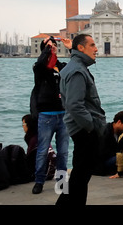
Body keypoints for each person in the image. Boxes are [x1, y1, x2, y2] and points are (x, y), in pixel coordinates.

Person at [55, 34, 106, 206]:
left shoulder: (75, 67)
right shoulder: (77, 70)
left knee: (80, 176)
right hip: (84, 130)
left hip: (80, 128)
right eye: (92, 45)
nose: (96, 49)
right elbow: (74, 105)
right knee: (79, 177)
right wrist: (91, 126)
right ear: (81, 48)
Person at [30, 36, 71, 194]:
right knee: (42, 150)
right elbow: (40, 63)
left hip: (63, 114)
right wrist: (47, 49)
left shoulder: (61, 66)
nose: (53, 46)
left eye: (54, 44)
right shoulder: (39, 68)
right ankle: (39, 181)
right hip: (46, 115)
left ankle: (61, 182)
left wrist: (70, 48)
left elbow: (76, 67)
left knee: (63, 151)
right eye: (49, 45)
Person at [22, 114, 56, 182]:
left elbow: (29, 157)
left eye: (23, 123)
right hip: (51, 171)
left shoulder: (33, 139)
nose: (23, 126)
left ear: (29, 125)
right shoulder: (41, 136)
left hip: (44, 173)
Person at [95, 111, 123, 176]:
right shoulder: (106, 132)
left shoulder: (119, 133)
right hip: (101, 163)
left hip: (109, 158)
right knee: (121, 157)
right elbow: (102, 153)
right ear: (119, 122)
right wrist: (121, 152)